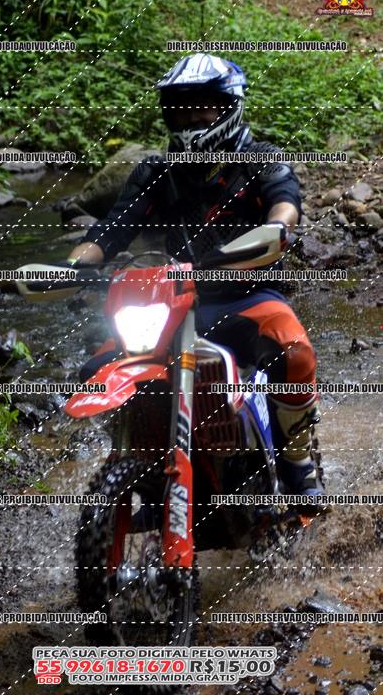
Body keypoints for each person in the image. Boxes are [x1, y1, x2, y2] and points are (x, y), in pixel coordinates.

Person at [66, 53, 325, 499]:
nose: (192, 117)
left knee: (294, 350)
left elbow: (285, 203)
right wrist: (72, 268)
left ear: (229, 107)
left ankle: (297, 463)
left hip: (247, 296)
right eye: (181, 108)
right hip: (172, 302)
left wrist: (279, 228)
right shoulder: (155, 172)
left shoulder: (261, 160)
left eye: (204, 106)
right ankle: (137, 461)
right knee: (96, 368)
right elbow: (110, 231)